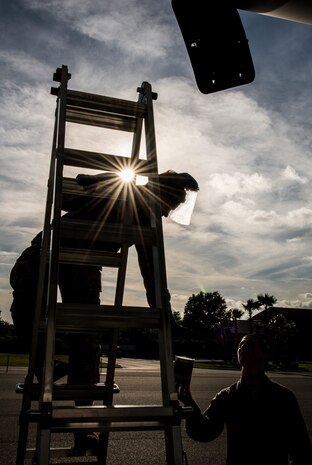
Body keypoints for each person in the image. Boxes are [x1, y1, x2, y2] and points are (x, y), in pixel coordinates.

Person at [10, 169, 199, 450]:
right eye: (172, 202)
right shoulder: (122, 191)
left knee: (85, 342)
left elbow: (153, 274)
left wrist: (167, 316)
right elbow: (70, 195)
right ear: (163, 193)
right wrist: (97, 180)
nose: (167, 213)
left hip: (84, 266)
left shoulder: (146, 222)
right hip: (49, 247)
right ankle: (45, 366)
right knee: (23, 306)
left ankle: (82, 430)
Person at [178, 334, 312, 465]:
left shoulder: (284, 397)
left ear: (264, 354)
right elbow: (204, 431)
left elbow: (301, 448)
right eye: (240, 345)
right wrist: (189, 403)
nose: (243, 347)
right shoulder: (227, 396)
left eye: (250, 344)